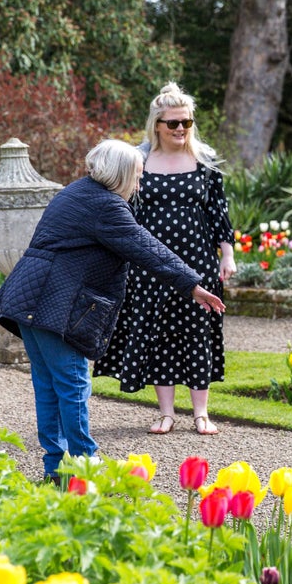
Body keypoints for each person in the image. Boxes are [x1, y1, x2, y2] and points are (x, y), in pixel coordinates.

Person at [0, 139, 224, 483]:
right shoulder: (105, 206)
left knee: (49, 385)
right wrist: (192, 283)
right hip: (55, 304)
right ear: (122, 174)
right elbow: (147, 248)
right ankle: (86, 464)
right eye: (137, 177)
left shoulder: (76, 192)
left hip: (31, 302)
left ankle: (55, 468)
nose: (139, 185)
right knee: (73, 384)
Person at [95, 83, 236, 436]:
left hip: (198, 261)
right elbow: (122, 209)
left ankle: (201, 412)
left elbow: (218, 212)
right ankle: (167, 412)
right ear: (156, 124)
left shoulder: (205, 161)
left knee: (198, 330)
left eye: (186, 123)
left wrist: (227, 254)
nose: (179, 130)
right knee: (158, 333)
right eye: (172, 123)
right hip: (150, 264)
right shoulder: (139, 160)